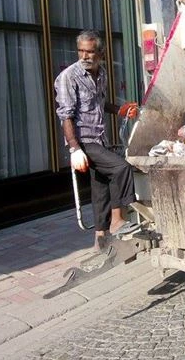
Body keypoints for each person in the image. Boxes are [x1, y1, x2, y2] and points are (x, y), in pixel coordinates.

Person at [54, 30, 140, 251]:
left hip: (99, 138)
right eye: (81, 51)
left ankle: (100, 240)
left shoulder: (100, 73)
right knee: (121, 168)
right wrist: (74, 149)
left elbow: (99, 104)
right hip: (83, 141)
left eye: (90, 52)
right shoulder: (68, 77)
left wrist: (120, 109)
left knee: (101, 186)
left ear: (100, 53)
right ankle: (118, 220)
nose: (85, 56)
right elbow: (66, 115)